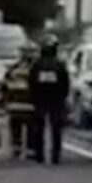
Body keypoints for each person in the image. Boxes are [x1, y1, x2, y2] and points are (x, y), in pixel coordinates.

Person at [29, 33, 69, 164]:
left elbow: (32, 82)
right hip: (55, 99)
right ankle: (55, 155)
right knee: (55, 128)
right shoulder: (59, 65)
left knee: (39, 127)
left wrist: (33, 97)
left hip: (42, 99)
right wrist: (63, 97)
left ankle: (39, 154)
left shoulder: (38, 64)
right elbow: (65, 83)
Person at [4, 42, 36, 159]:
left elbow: (5, 85)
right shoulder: (35, 68)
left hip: (19, 104)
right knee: (27, 129)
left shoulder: (13, 68)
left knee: (18, 128)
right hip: (27, 104)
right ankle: (26, 151)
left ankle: (19, 150)